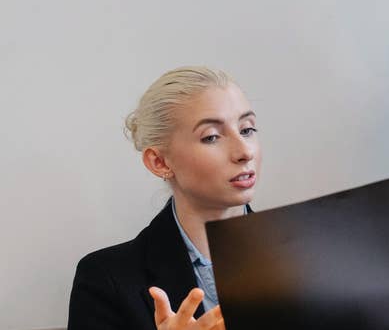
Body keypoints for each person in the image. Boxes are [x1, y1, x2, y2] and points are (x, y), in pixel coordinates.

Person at [68, 66, 261, 330]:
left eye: (247, 130)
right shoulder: (106, 279)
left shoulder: (309, 253)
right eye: (212, 137)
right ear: (159, 161)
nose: (244, 152)